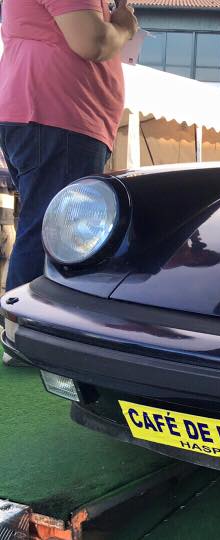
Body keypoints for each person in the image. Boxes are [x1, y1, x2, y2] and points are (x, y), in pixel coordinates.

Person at [0, 0, 138, 365]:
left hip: (47, 114)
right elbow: (92, 41)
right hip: (59, 115)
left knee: (48, 226)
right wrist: (124, 27)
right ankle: (26, 338)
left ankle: (25, 334)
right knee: (54, 231)